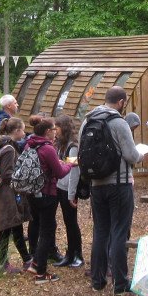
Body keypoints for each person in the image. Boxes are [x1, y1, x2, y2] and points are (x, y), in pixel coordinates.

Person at [85, 86, 145, 295]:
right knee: (119, 231)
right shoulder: (119, 123)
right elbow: (130, 155)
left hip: (96, 184)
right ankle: (120, 283)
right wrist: (141, 155)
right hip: (119, 184)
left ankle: (97, 280)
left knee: (100, 231)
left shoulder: (88, 120)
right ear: (121, 103)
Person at [20, 117, 71, 282]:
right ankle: (40, 271)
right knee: (47, 231)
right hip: (47, 193)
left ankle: (34, 260)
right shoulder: (48, 148)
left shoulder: (30, 144)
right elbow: (60, 173)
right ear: (48, 131)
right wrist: (70, 165)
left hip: (31, 192)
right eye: (54, 129)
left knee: (35, 225)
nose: (56, 132)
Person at [0, 118, 30, 273]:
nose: (24, 134)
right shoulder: (9, 149)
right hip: (7, 194)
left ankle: (26, 260)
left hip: (7, 193)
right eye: (23, 130)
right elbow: (7, 174)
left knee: (15, 226)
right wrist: (22, 179)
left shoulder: (5, 146)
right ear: (17, 131)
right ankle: (3, 264)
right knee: (6, 229)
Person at [52, 114, 84, 268]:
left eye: (56, 128)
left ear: (63, 128)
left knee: (72, 223)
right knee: (67, 222)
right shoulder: (61, 145)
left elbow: (74, 172)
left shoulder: (72, 148)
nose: (54, 131)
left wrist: (71, 194)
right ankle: (69, 254)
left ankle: (77, 254)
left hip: (68, 190)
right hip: (60, 187)